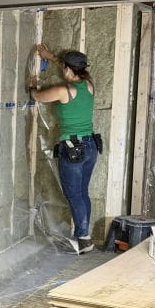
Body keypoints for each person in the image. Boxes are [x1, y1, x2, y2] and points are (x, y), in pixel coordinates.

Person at [29, 44, 100, 255]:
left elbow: (37, 97)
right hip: (90, 146)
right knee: (82, 193)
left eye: (64, 68)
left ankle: (84, 240)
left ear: (69, 70)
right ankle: (85, 237)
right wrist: (50, 56)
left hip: (73, 149)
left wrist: (33, 85)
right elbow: (66, 66)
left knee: (73, 195)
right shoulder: (89, 85)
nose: (62, 70)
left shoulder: (63, 90)